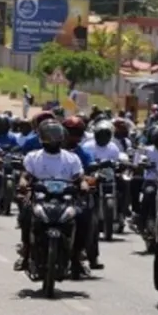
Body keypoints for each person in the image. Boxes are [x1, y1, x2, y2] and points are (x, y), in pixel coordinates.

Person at [14, 121, 87, 276]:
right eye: (49, 136)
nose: (52, 140)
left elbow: (79, 176)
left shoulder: (71, 158)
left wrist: (84, 184)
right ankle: (26, 253)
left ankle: (77, 257)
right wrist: (23, 182)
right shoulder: (33, 157)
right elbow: (25, 175)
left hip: (66, 199)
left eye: (56, 136)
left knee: (83, 216)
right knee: (26, 214)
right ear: (42, 138)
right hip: (40, 198)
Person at [63, 116, 102, 271]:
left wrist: (90, 180)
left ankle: (82, 254)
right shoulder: (53, 151)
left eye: (77, 132)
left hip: (77, 196)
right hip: (53, 195)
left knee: (86, 218)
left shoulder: (84, 154)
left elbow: (91, 173)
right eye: (70, 132)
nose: (73, 136)